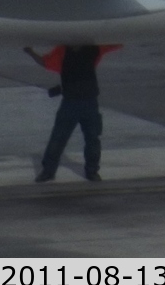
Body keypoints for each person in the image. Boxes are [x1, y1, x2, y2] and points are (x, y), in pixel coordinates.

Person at [26, 44, 115, 182]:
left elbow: (46, 62)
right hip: (75, 102)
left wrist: (30, 52)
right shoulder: (66, 51)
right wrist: (30, 52)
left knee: (89, 139)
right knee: (61, 138)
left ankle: (89, 171)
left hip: (84, 102)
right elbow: (46, 62)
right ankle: (51, 171)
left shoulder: (88, 49)